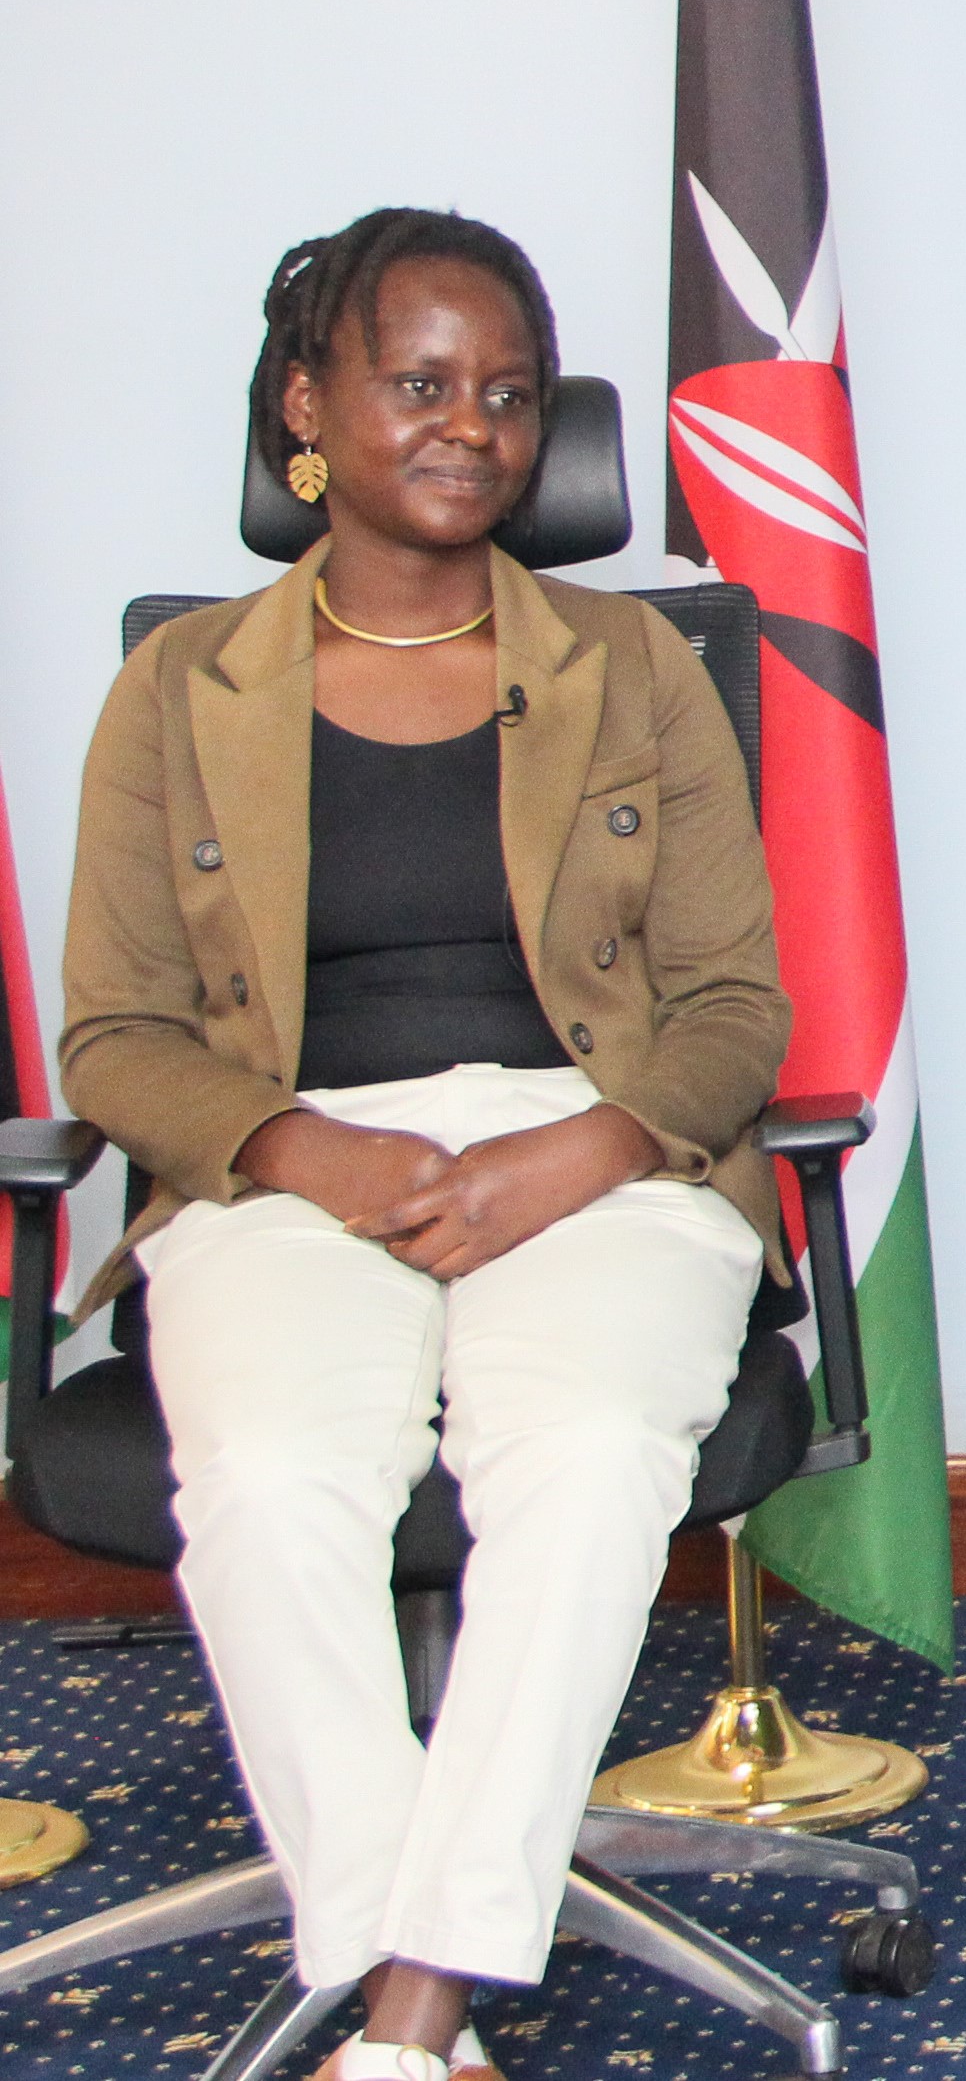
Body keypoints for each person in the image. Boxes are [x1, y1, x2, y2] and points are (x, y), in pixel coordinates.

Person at [58, 210, 793, 2081]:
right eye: (420, 382)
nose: (473, 425)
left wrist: (593, 1146)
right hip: (288, 1162)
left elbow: (735, 1006)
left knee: (586, 1457)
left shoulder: (635, 662)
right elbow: (114, 1036)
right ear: (309, 406)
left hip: (596, 1156)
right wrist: (307, 1153)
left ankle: (408, 2016)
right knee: (269, 1484)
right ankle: (426, 1971)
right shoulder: (181, 686)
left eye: (511, 395)